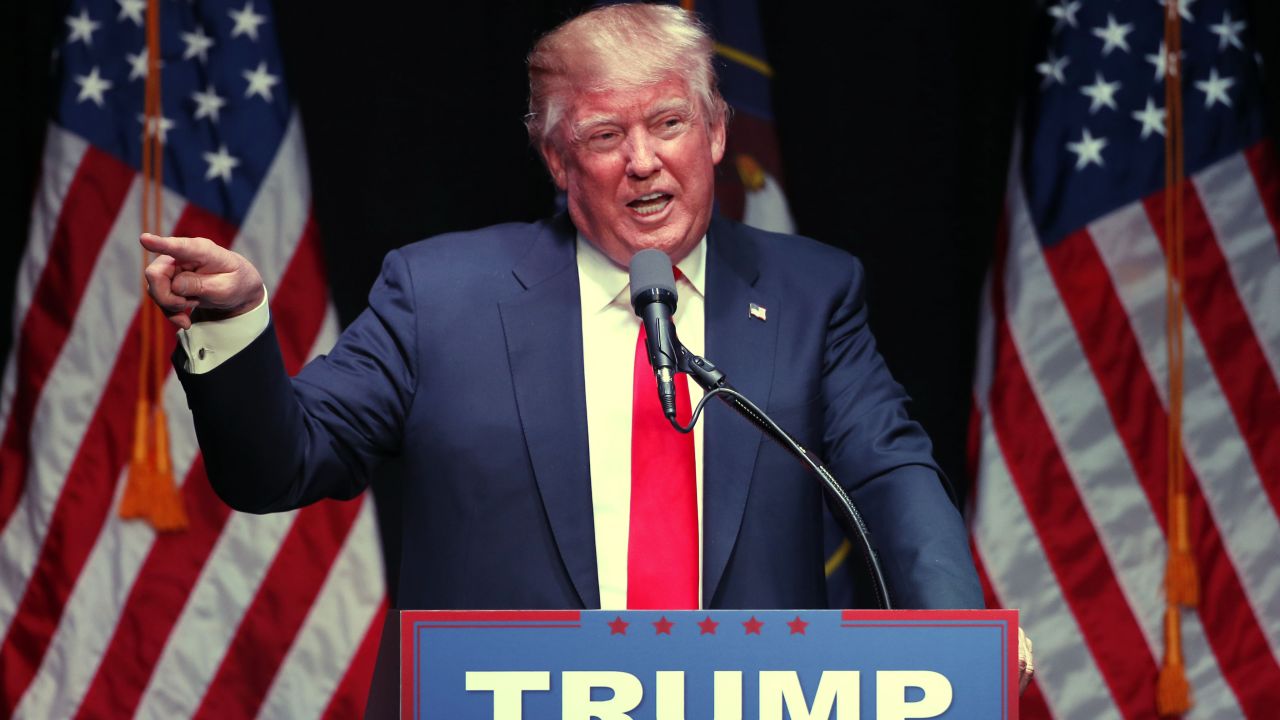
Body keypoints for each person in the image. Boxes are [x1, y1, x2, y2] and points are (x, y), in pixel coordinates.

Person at [140, 1, 1032, 692]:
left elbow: (887, 471)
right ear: (559, 162)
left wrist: (949, 632)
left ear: (716, 131)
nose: (643, 160)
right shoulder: (441, 295)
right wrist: (235, 325)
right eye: (606, 136)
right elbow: (279, 466)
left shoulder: (809, 293)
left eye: (669, 123)